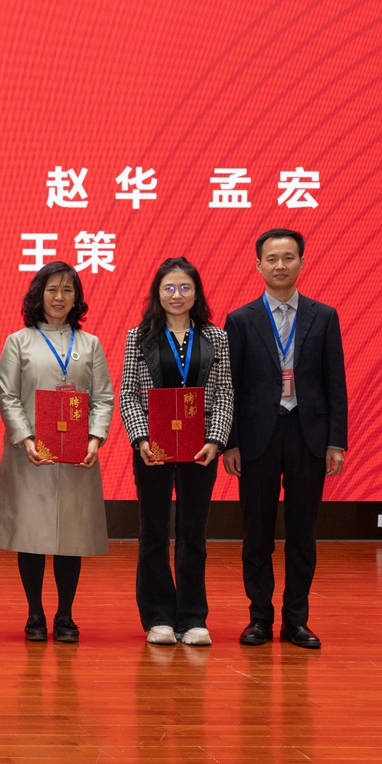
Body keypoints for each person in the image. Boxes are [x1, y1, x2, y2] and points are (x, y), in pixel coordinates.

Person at [224, 229, 347, 650]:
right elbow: (230, 387)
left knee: (302, 532)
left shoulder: (323, 316)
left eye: (288, 258)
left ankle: (296, 620)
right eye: (272, 258)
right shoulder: (240, 320)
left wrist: (336, 440)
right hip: (256, 437)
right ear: (258, 265)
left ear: (302, 262)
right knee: (256, 533)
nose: (280, 265)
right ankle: (259, 618)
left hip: (307, 434)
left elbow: (335, 383)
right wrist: (230, 442)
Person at [0, 262, 114, 643]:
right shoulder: (19, 341)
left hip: (77, 457)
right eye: (52, 290)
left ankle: (65, 615)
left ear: (77, 299)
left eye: (67, 290)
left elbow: (103, 398)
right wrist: (26, 439)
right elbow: (7, 396)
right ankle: (35, 614)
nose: (59, 297)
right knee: (31, 535)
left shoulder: (90, 344)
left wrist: (94, 439)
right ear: (38, 295)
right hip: (30, 456)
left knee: (71, 537)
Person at [118, 257, 233, 646]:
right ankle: (159, 617)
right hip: (153, 448)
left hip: (200, 447)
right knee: (153, 532)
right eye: (169, 288)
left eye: (185, 287)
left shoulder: (216, 338)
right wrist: (141, 439)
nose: (177, 295)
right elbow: (129, 393)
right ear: (157, 293)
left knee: (193, 533)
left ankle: (193, 617)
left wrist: (215, 439)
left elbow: (224, 392)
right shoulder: (139, 336)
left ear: (196, 293)